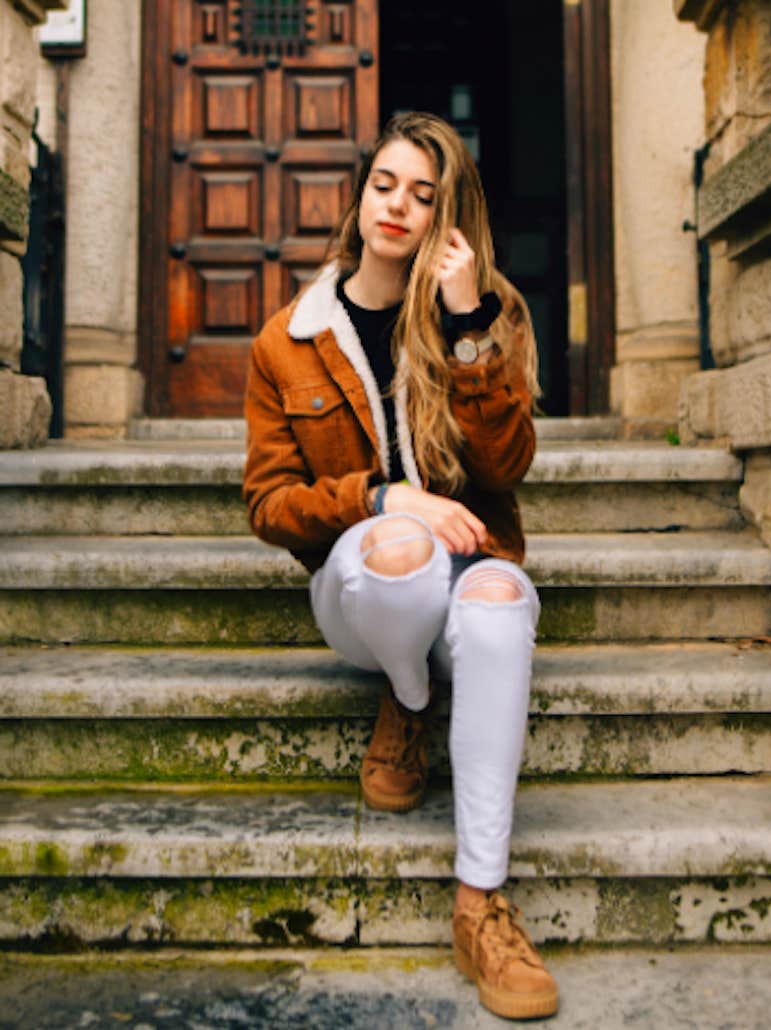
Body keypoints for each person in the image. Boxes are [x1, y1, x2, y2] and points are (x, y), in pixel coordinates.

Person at [243, 111, 558, 1021]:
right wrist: (383, 499)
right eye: (385, 184)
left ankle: (481, 905)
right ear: (359, 193)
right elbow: (270, 505)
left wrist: (466, 328)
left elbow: (504, 468)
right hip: (360, 582)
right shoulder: (287, 339)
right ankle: (408, 696)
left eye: (423, 194)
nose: (398, 206)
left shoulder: (490, 313)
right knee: (405, 548)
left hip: (466, 562)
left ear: (447, 215)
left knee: (499, 603)